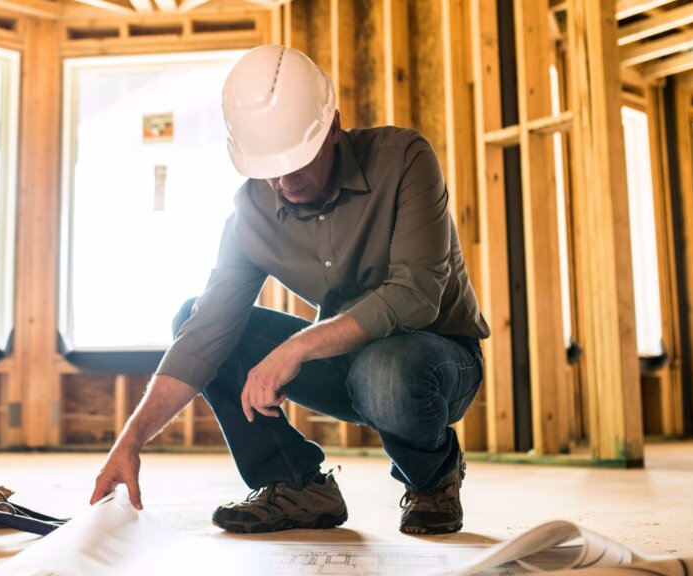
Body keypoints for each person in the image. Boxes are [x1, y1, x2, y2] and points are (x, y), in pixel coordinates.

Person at [90, 45, 490, 535]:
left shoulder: (403, 159)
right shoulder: (251, 213)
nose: (283, 180)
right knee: (192, 315)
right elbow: (203, 337)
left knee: (385, 371)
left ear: (333, 127)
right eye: (268, 168)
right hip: (346, 362)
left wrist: (296, 348)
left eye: (298, 161)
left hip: (437, 361)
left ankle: (433, 477)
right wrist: (130, 440)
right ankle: (295, 485)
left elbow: (417, 294)